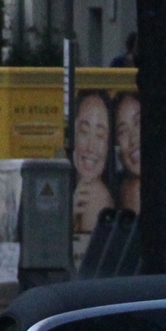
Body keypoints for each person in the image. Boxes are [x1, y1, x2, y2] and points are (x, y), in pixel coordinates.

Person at [71, 91, 115, 233]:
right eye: (84, 131)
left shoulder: (94, 195)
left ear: (109, 145)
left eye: (100, 135)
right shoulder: (75, 193)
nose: (91, 147)